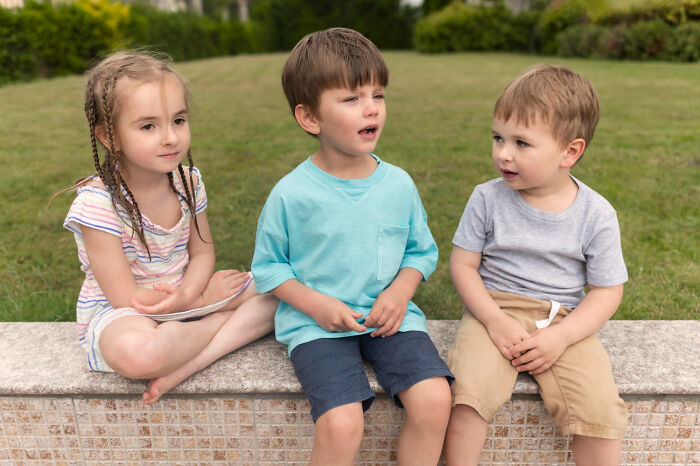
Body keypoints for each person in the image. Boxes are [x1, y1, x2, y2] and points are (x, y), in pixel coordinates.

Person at [251, 28, 453, 465]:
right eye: (351, 98)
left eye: (377, 95)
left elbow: (420, 253)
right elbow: (269, 269)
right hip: (317, 327)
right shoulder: (291, 194)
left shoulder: (398, 185)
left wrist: (400, 293)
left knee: (435, 400)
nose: (371, 108)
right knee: (342, 422)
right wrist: (315, 304)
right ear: (309, 118)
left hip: (389, 319)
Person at [61, 51, 277, 404]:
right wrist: (206, 300)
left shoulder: (187, 183)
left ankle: (192, 358)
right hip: (127, 315)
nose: (170, 138)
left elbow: (203, 252)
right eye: (148, 126)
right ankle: (212, 326)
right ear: (108, 136)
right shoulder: (97, 204)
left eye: (178, 120)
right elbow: (127, 298)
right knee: (140, 355)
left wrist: (191, 291)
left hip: (186, 294)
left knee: (283, 287)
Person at [443, 64, 628, 465]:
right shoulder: (487, 199)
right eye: (498, 138)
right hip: (493, 307)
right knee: (468, 395)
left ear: (570, 152)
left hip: (561, 320)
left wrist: (562, 337)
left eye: (521, 143)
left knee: (598, 409)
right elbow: (463, 266)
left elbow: (608, 290)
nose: (503, 153)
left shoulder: (596, 214)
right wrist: (493, 319)